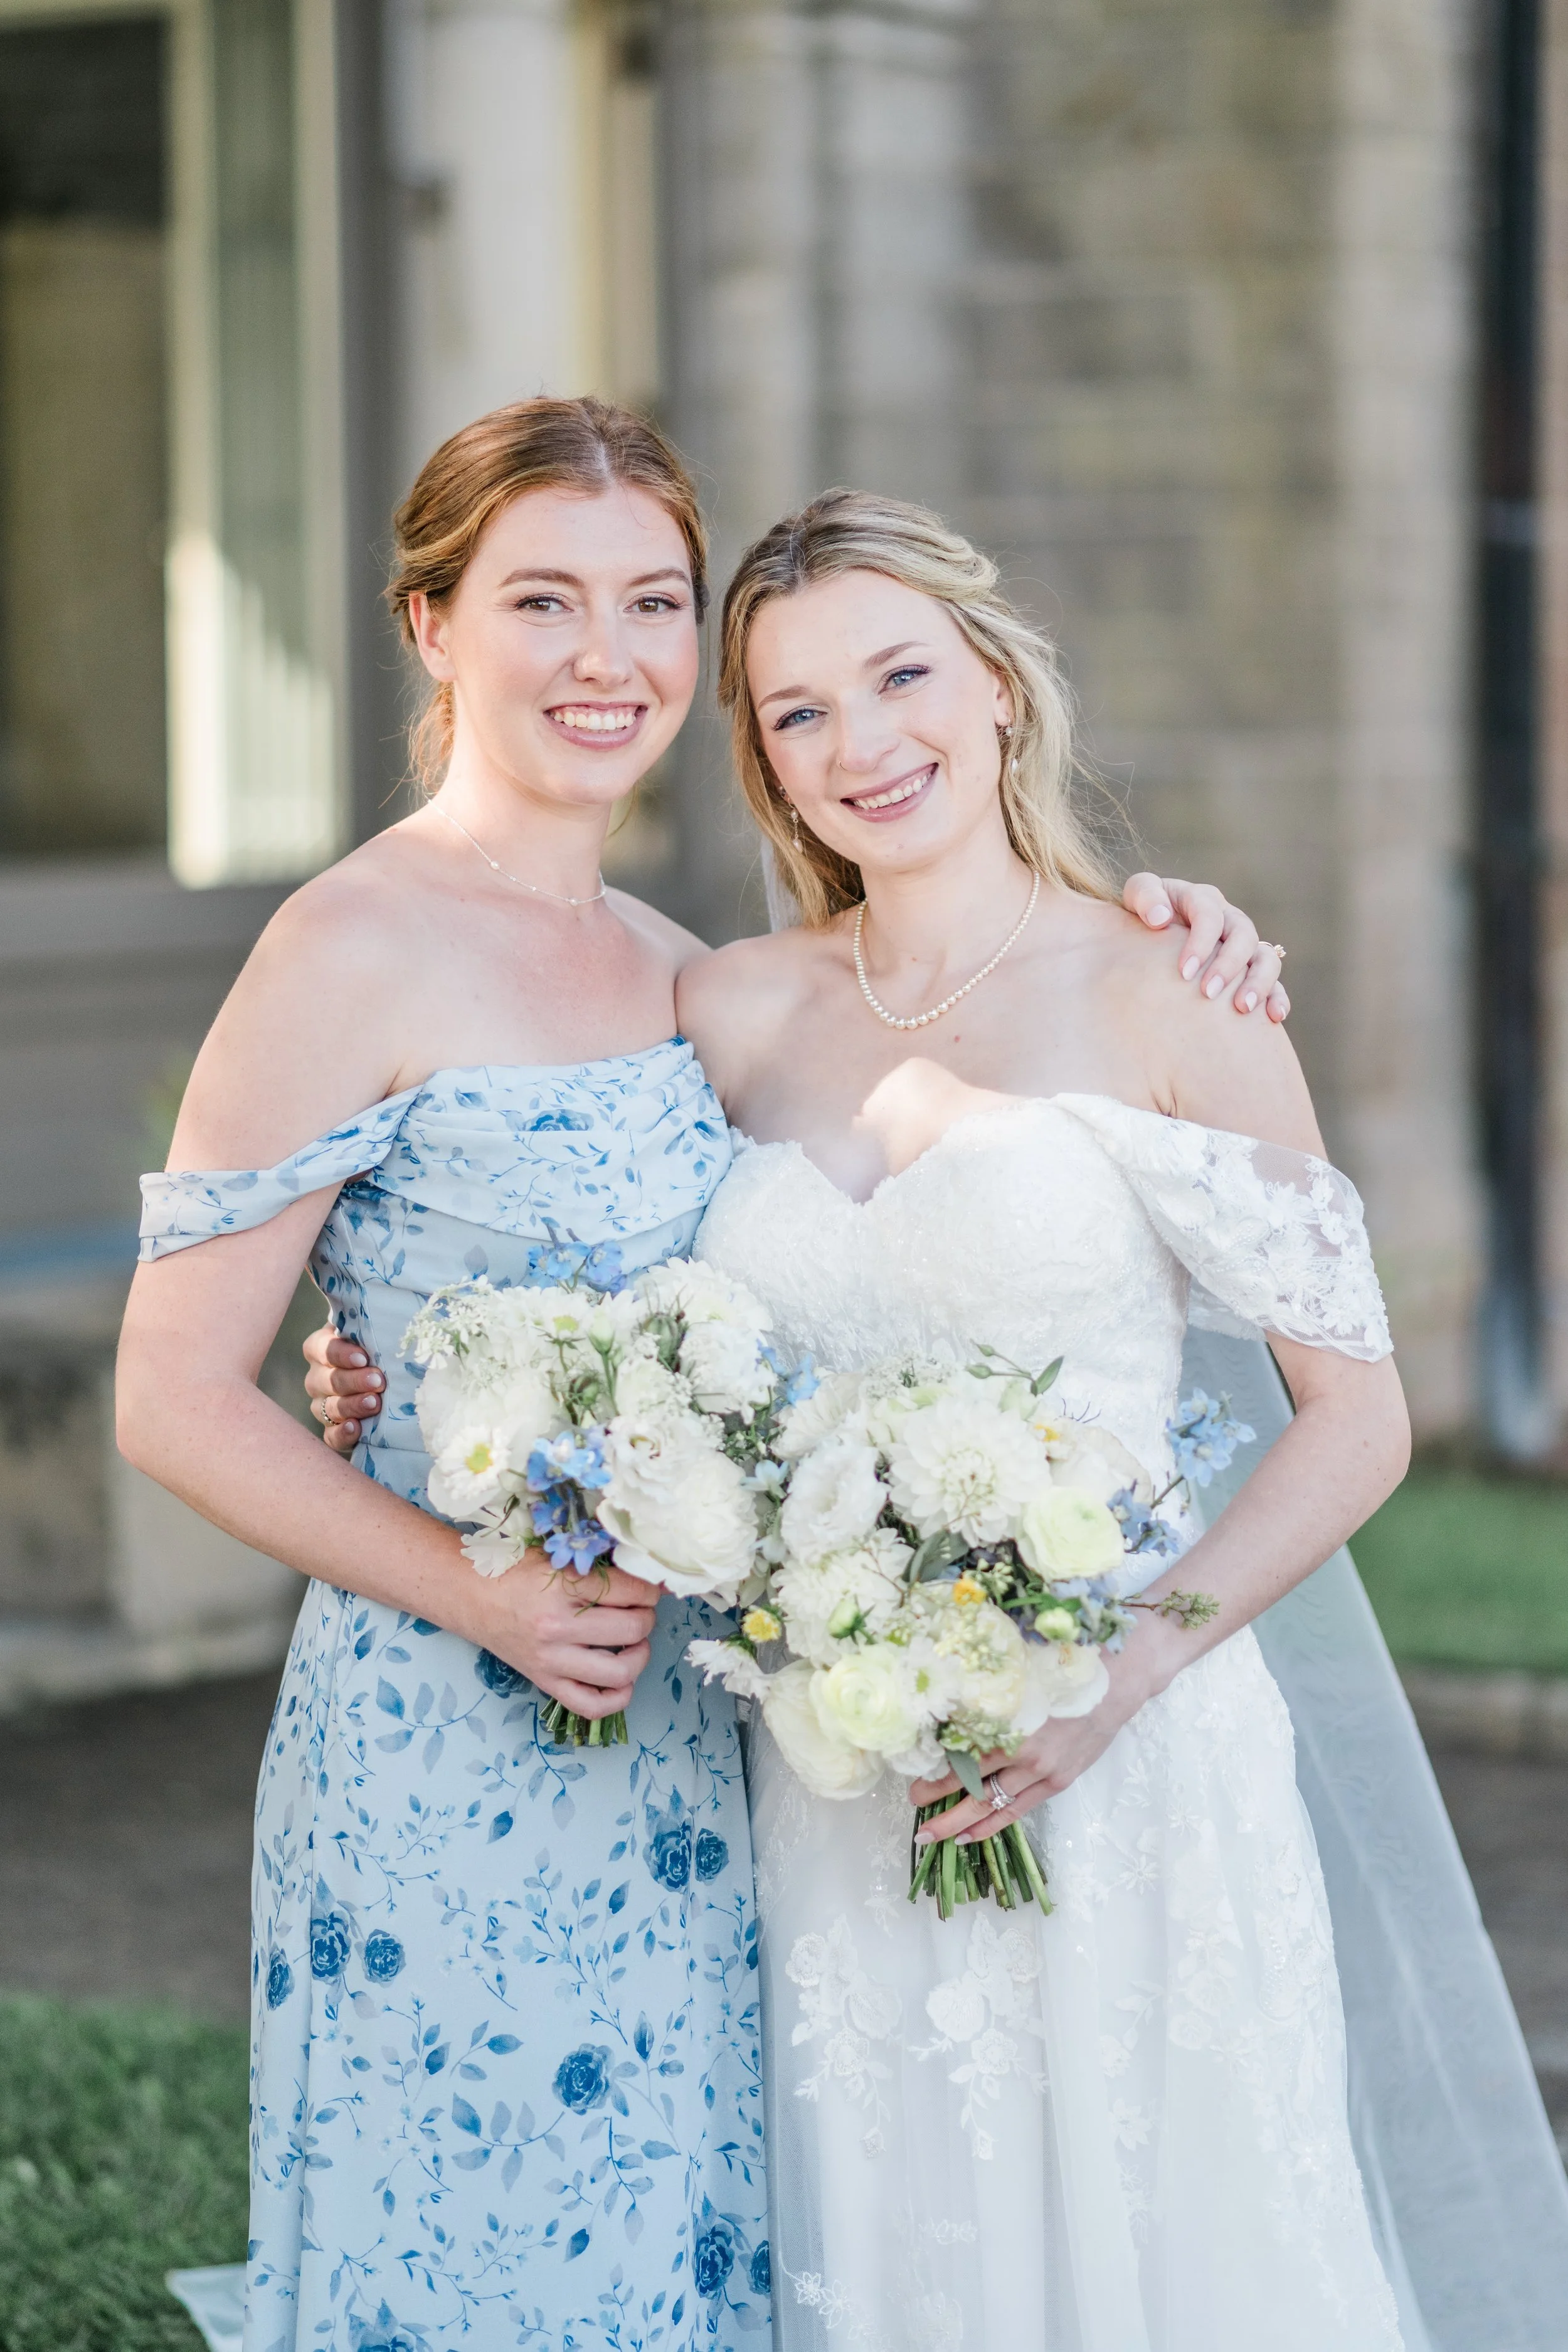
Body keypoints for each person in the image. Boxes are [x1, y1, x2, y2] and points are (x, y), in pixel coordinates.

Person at [119, 398, 1282, 2352]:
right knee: (482, 2253)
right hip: (452, 1726)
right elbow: (169, 1392)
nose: (606, 657)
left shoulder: (685, 968)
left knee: (689, 2258)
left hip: (702, 1741)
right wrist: (460, 1562)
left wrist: (1175, 925)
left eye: (651, 602)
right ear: (431, 627)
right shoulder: (343, 944)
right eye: (542, 600)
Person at [669, 487, 1416, 2348]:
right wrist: (358, 1366)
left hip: (1126, 1757)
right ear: (764, 763)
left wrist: (1125, 1668)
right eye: (797, 711)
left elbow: (1356, 1415)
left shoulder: (1177, 982)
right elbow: (585, 1288)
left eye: (899, 673)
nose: (863, 742)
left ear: (997, 686)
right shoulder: (729, 1011)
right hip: (835, 1770)